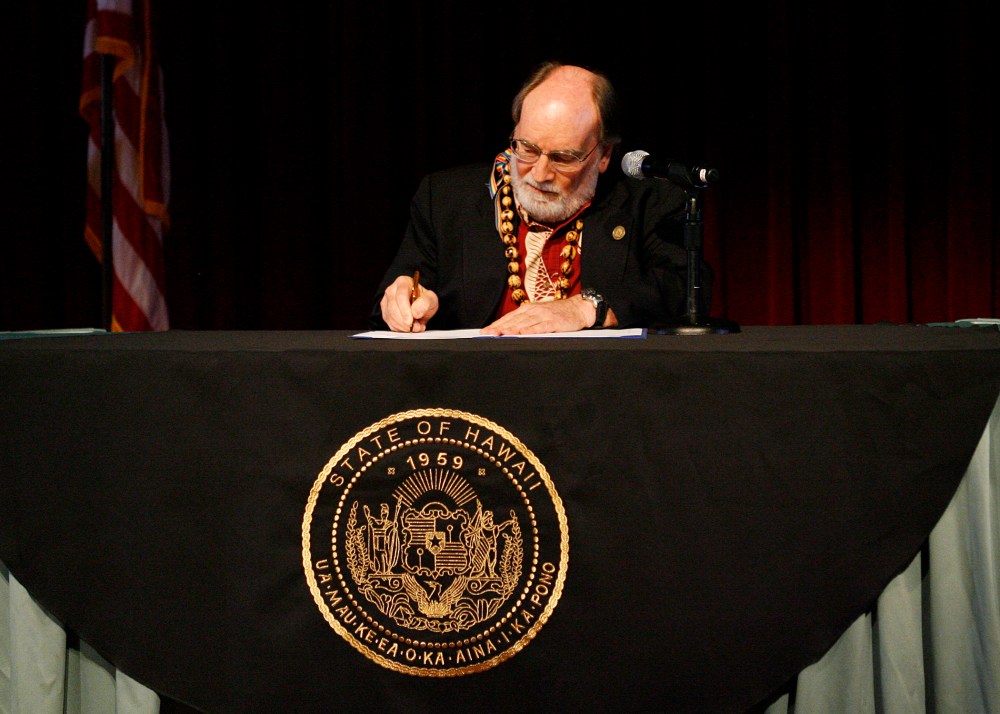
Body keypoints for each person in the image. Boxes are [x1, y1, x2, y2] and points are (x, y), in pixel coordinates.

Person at [370, 60, 710, 334]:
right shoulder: (445, 200)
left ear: (604, 155)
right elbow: (392, 300)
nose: (539, 173)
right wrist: (404, 302)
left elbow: (686, 289)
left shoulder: (649, 202)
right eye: (527, 149)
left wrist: (586, 307)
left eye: (563, 158)